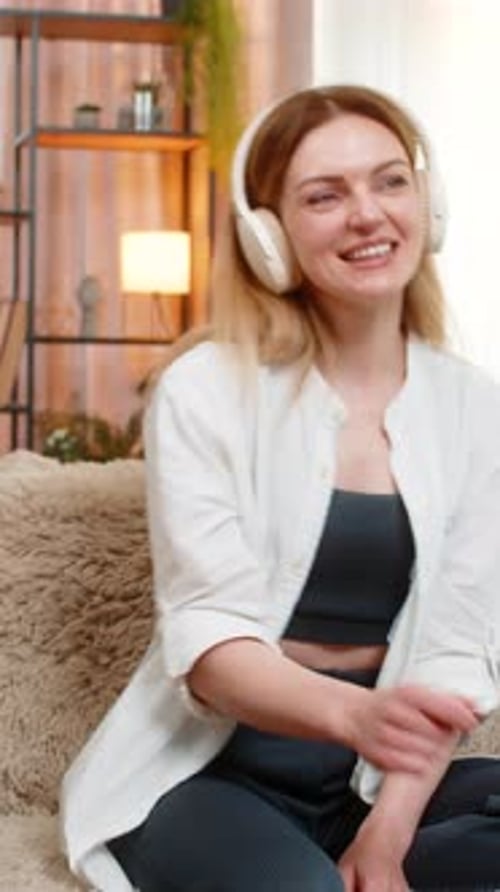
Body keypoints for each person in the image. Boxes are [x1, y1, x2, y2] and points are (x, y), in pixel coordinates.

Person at [61, 85, 500, 892]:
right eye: (325, 197)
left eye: (389, 181)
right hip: (211, 776)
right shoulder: (206, 390)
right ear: (271, 237)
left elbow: (453, 646)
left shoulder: (476, 407)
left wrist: (390, 836)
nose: (367, 214)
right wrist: (357, 716)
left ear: (426, 202)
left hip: (376, 786)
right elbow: (210, 639)